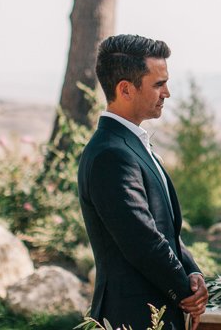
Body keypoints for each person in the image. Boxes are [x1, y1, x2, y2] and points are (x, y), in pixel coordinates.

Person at [77, 34, 208, 330]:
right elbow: (142, 240)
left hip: (158, 309)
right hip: (133, 314)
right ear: (126, 89)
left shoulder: (131, 144)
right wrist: (186, 291)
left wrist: (193, 272)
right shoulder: (110, 153)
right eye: (159, 84)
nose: (168, 93)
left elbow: (165, 230)